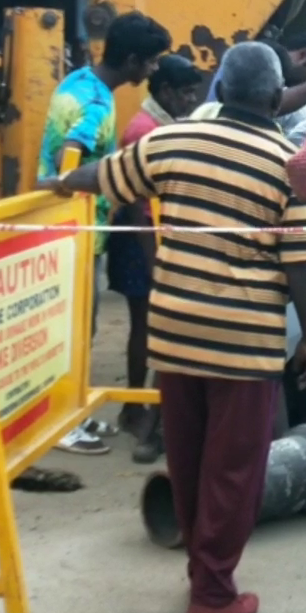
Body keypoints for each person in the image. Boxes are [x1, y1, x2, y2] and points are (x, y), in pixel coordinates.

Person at [40, 42, 306, 613]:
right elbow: (301, 265)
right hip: (242, 344)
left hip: (174, 336)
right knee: (235, 470)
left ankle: (204, 573)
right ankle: (213, 594)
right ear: (276, 98)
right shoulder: (288, 163)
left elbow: (109, 176)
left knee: (191, 460)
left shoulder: (174, 140)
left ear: (220, 91)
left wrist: (62, 181)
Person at [41, 10, 173, 456]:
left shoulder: (80, 81)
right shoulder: (99, 104)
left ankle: (70, 413)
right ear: (133, 60)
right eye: (151, 62)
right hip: (74, 233)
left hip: (68, 231)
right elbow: (71, 152)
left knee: (75, 327)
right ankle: (60, 424)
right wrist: (70, 178)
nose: (153, 70)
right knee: (75, 330)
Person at [112, 53, 206, 465]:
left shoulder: (162, 124)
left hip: (153, 238)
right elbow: (139, 207)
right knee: (150, 330)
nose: (190, 100)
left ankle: (143, 413)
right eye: (186, 93)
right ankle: (142, 416)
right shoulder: (144, 131)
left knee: (152, 330)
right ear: (165, 91)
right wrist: (156, 263)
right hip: (142, 242)